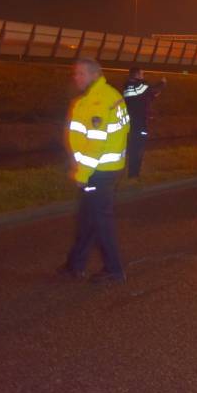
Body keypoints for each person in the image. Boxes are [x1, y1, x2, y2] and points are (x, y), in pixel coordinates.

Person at [58, 58, 129, 283]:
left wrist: (82, 174)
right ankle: (74, 264)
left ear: (94, 74)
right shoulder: (111, 95)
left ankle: (114, 270)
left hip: (97, 171)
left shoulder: (96, 102)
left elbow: (95, 144)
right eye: (75, 73)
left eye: (80, 73)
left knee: (100, 220)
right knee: (88, 218)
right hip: (107, 169)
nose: (76, 78)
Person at [122, 67, 166, 178]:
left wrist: (152, 96)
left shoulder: (129, 87)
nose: (143, 76)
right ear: (136, 75)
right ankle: (134, 175)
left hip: (132, 123)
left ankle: (133, 174)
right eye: (142, 74)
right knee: (138, 150)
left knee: (134, 149)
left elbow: (143, 98)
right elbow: (152, 89)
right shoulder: (139, 86)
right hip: (139, 123)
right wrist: (162, 83)